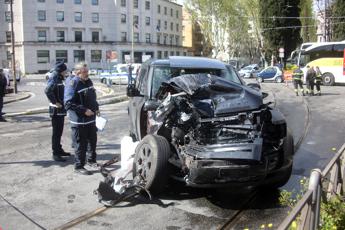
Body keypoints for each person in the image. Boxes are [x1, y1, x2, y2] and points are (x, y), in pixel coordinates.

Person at [64, 62, 99, 175]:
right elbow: (68, 103)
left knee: (92, 142)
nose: (87, 74)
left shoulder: (88, 81)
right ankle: (79, 166)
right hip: (79, 121)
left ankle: (91, 160)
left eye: (87, 71)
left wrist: (96, 108)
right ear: (77, 72)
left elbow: (93, 97)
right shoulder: (73, 83)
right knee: (80, 144)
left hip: (91, 119)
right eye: (84, 72)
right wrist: (84, 110)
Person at [44, 61, 71, 162]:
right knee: (56, 133)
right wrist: (55, 102)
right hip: (56, 110)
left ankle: (59, 150)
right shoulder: (54, 78)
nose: (65, 73)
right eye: (64, 71)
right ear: (61, 71)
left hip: (60, 110)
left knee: (59, 132)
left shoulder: (59, 78)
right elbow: (47, 90)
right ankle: (55, 153)